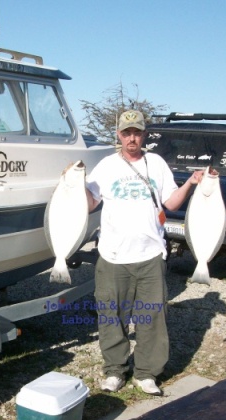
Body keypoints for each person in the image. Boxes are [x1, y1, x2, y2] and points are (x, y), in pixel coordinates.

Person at [85, 110, 203, 395]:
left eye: (136, 132)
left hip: (150, 255)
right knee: (112, 316)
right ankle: (115, 371)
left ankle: (146, 373)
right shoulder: (106, 166)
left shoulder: (157, 164)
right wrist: (73, 185)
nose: (132, 138)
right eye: (126, 133)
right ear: (119, 135)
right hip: (113, 256)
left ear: (144, 134)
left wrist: (191, 183)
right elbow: (89, 204)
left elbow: (171, 203)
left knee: (152, 317)